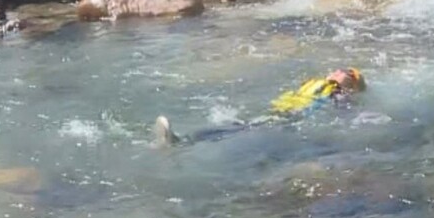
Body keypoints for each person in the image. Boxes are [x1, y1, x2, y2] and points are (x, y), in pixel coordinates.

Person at [154, 67, 364, 146]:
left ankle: (183, 141)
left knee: (237, 129)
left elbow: (345, 115)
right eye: (336, 69)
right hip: (279, 113)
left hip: (290, 118)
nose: (337, 72)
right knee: (235, 125)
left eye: (344, 72)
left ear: (351, 83)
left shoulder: (339, 94)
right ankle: (183, 139)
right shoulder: (316, 83)